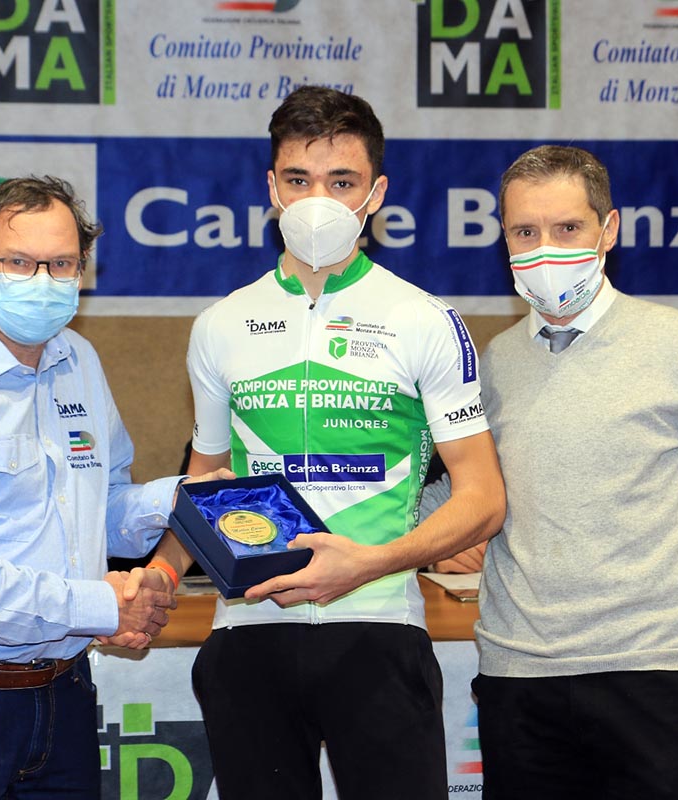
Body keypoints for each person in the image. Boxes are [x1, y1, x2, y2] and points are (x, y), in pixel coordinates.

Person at [149, 86, 506, 799]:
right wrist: (159, 575)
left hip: (378, 626)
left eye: (341, 182)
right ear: (271, 188)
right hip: (249, 626)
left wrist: (373, 562)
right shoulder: (221, 324)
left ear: (376, 193)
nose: (318, 201)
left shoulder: (424, 319)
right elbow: (206, 480)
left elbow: (484, 498)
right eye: (299, 179)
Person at [0, 176, 230, 799]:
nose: (42, 279)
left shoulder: (78, 359)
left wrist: (183, 498)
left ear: (82, 269)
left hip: (64, 693)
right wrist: (103, 607)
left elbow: (98, 511)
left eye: (61, 263)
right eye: (19, 262)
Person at [472, 145, 678, 799]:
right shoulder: (492, 364)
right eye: (525, 231)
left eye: (567, 228)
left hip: (655, 675)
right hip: (518, 681)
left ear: (608, 229)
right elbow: (458, 495)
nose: (544, 250)